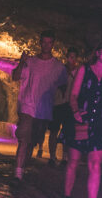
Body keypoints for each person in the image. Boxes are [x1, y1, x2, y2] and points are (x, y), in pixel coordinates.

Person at [61, 41, 102, 198]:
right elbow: (73, 95)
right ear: (97, 53)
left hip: (99, 123)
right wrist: (76, 112)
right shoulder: (84, 70)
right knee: (73, 161)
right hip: (81, 120)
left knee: (95, 163)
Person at [12, 30, 68, 181]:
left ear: (53, 44)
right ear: (40, 43)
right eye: (44, 42)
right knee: (24, 140)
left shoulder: (58, 67)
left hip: (43, 111)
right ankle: (18, 174)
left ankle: (22, 168)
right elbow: (15, 76)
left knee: (32, 142)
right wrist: (22, 62)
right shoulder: (30, 62)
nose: (46, 45)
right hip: (27, 107)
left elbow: (64, 85)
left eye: (49, 42)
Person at [46, 51, 79, 167]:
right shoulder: (60, 70)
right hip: (58, 104)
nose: (71, 60)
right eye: (70, 57)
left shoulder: (78, 72)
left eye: (73, 57)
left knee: (67, 132)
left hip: (69, 105)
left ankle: (65, 157)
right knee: (54, 131)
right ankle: (52, 157)